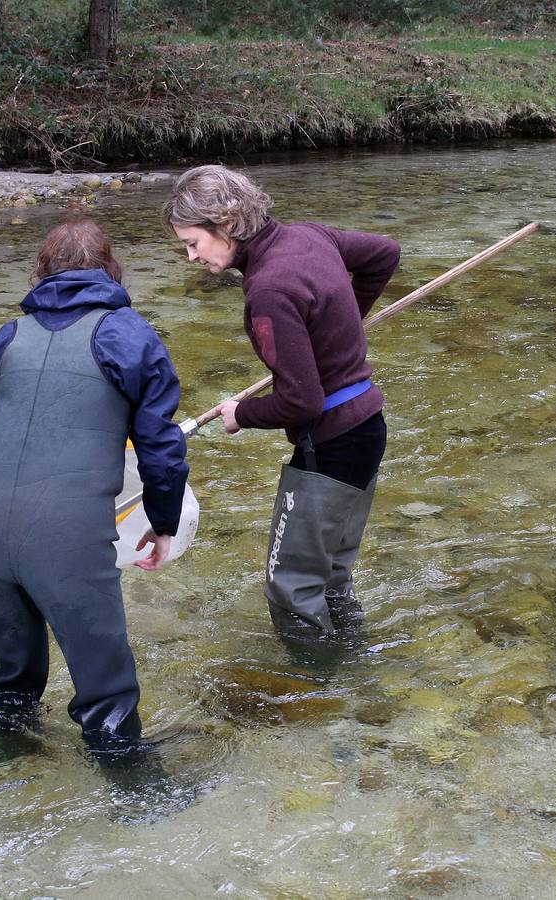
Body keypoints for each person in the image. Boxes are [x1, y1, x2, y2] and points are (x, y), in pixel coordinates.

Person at [0, 219, 189, 754]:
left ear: (41, 271)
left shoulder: (9, 335)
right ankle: (142, 809)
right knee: (105, 697)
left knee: (11, 683)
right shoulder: (128, 334)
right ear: (112, 270)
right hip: (63, 530)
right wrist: (163, 523)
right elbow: (161, 449)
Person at [163, 165, 400, 641]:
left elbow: (301, 401)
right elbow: (384, 252)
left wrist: (241, 415)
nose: (191, 256)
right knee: (331, 575)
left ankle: (317, 694)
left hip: (330, 445)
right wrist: (340, 321)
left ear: (226, 224)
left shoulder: (269, 288)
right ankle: (355, 670)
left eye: (193, 242)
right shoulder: (310, 236)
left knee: (288, 588)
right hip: (367, 428)